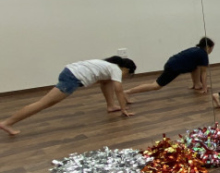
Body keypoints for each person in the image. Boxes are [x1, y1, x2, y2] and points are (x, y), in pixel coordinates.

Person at [0, 56, 137, 136]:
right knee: (44, 103)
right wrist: (123, 109)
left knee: (106, 82)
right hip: (72, 78)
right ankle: (7, 123)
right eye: (128, 74)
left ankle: (110, 106)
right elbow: (119, 90)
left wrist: (112, 105)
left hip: (69, 72)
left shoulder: (106, 66)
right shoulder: (115, 69)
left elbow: (105, 83)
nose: (126, 77)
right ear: (125, 69)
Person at [125, 37, 214, 98]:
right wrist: (205, 88)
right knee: (156, 86)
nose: (211, 50)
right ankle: (128, 92)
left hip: (172, 62)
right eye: (211, 48)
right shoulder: (203, 54)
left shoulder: (196, 50)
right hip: (173, 68)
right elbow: (204, 72)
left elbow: (195, 68)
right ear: (207, 47)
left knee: (196, 67)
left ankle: (197, 84)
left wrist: (199, 84)